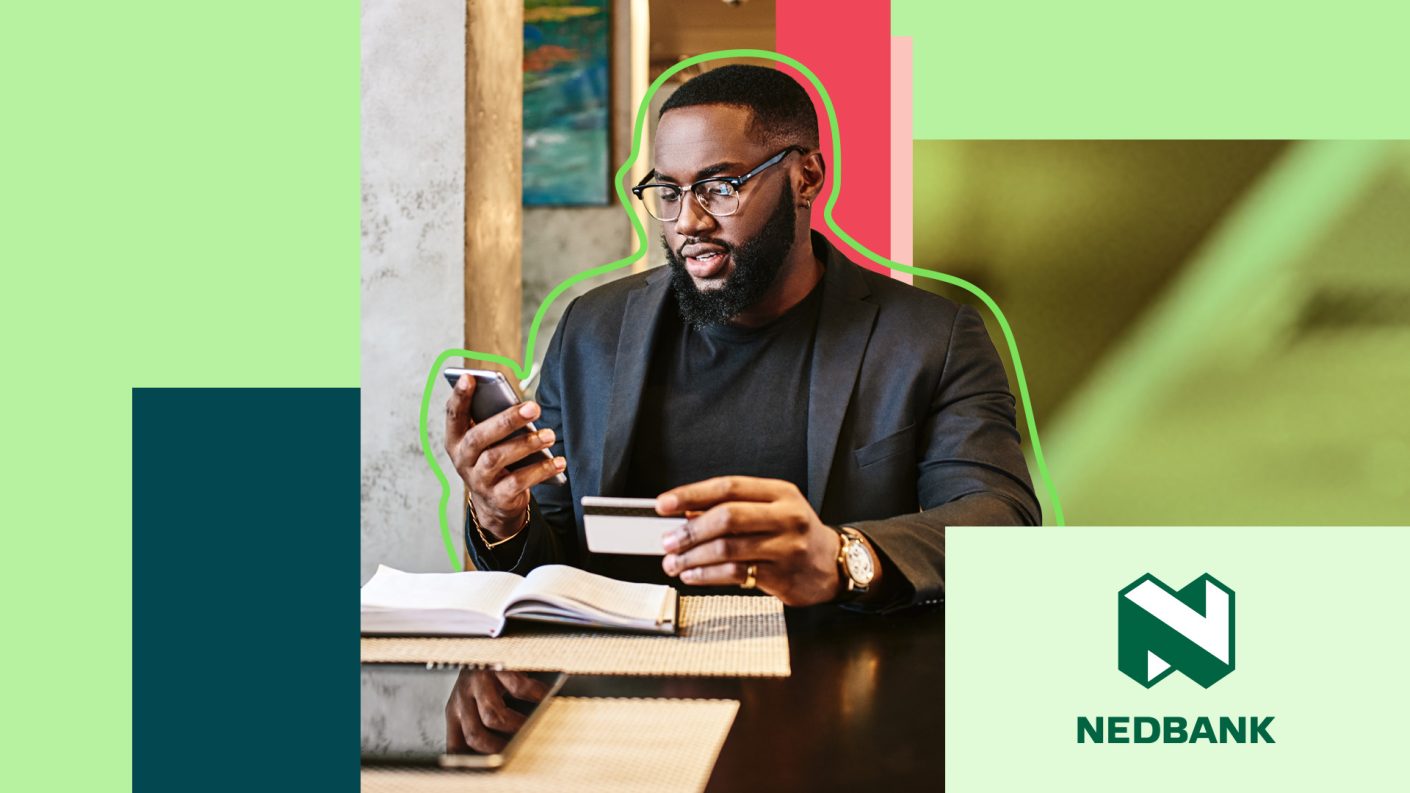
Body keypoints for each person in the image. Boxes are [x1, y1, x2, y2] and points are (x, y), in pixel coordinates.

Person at [445, 64, 1039, 612]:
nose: (688, 221)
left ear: (806, 177)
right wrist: (502, 518)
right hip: (622, 672)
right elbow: (554, 557)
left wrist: (842, 556)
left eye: (721, 186)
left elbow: (1002, 521)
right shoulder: (592, 330)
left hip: (831, 674)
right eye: (669, 192)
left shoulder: (930, 338)